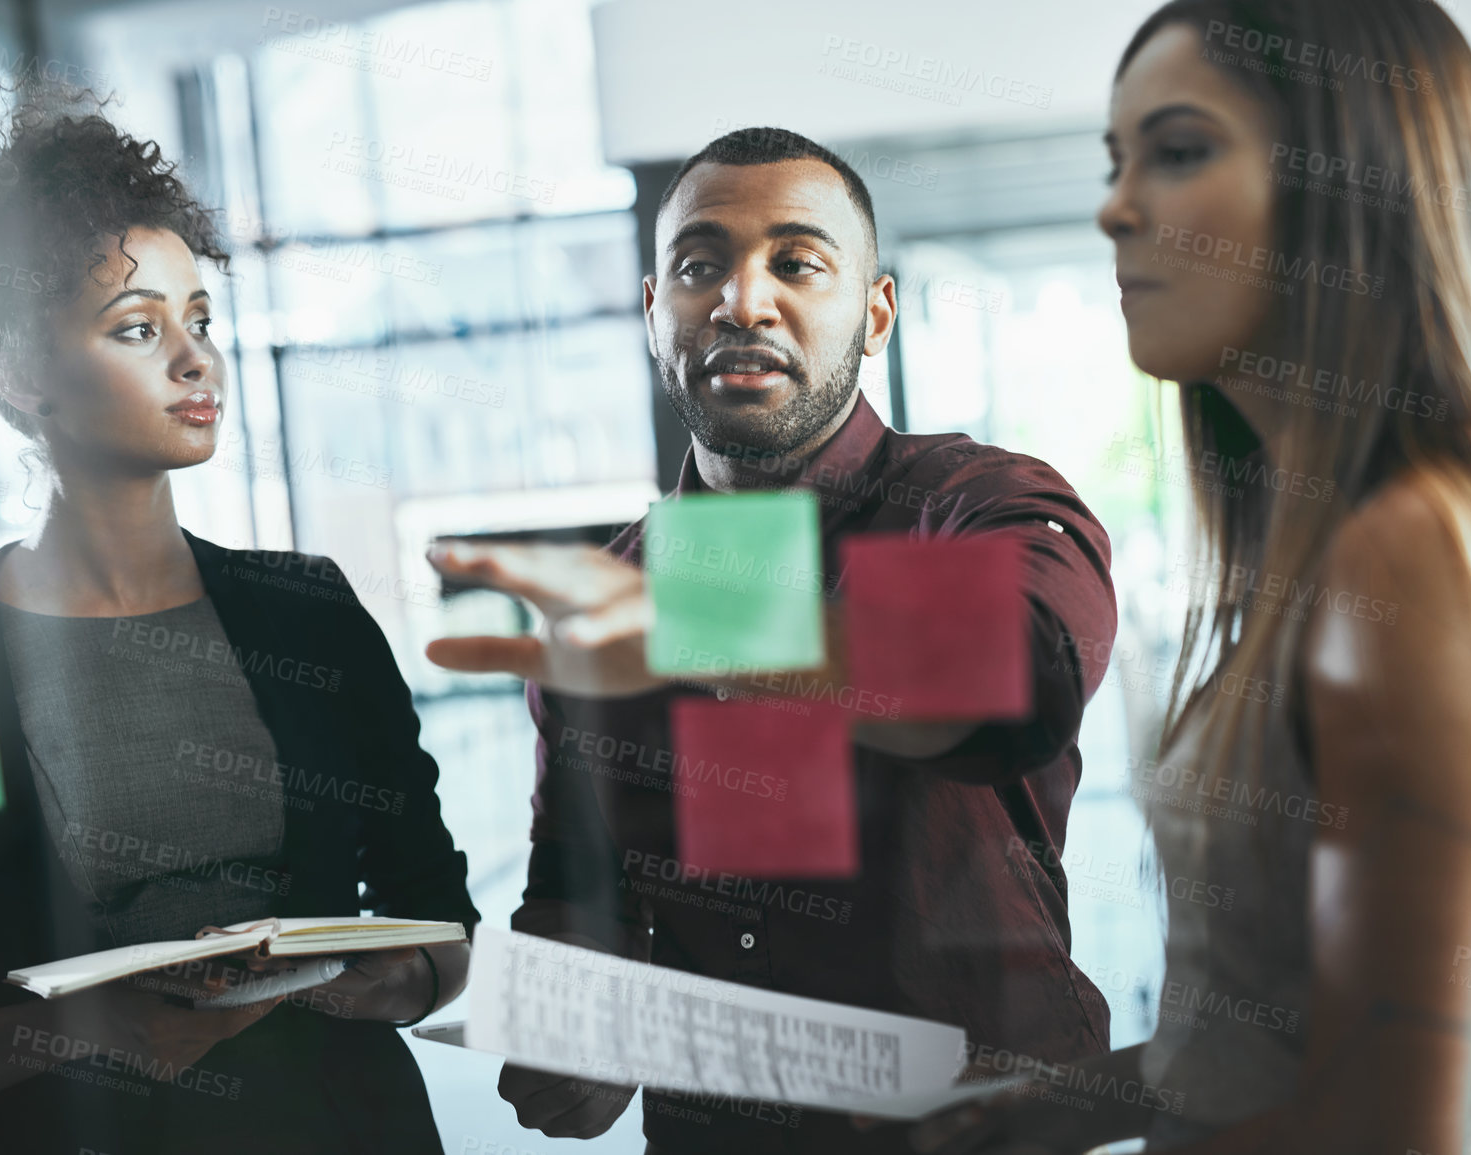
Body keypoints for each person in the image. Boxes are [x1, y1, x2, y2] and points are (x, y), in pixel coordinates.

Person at [909, 1, 1471, 1152]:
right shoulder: (1366, 537)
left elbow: (1389, 1132)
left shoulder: (1417, 550)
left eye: (1178, 153)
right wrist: (1037, 1116)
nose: (1115, 206)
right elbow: (1285, 1045)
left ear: (1354, 182)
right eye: (1118, 161)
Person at [425, 126, 1119, 1154]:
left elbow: (1027, 678)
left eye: (798, 263)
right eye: (700, 266)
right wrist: (570, 1030)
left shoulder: (973, 501)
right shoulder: (616, 586)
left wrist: (710, 617)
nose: (742, 301)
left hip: (993, 1132)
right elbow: (579, 880)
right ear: (655, 309)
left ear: (875, 310)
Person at [0, 96, 479, 1154]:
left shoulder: (310, 613)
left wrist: (392, 983)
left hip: (348, 1126)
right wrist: (86, 1031)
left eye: (201, 319)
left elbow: (438, 919)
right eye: (139, 329)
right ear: (14, 372)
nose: (198, 361)